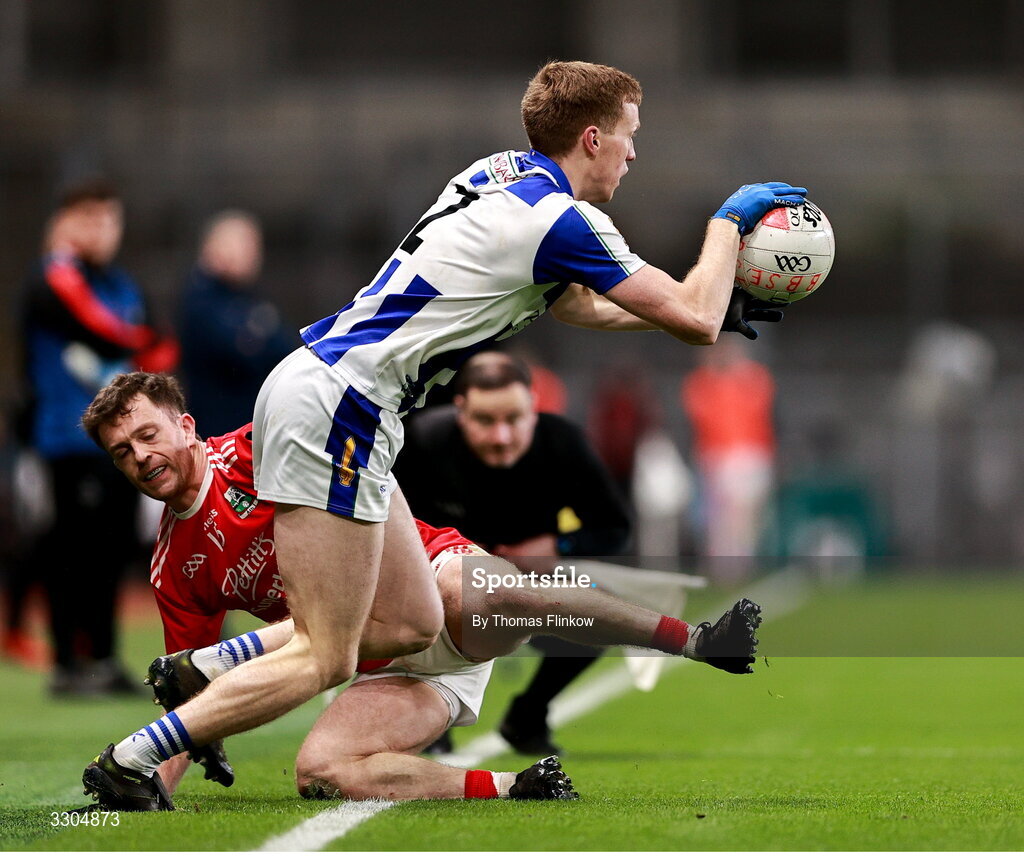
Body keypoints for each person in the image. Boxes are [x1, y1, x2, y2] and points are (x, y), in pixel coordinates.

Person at [81, 59, 802, 808]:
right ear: (592, 138)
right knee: (326, 654)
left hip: (329, 389)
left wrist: (703, 301)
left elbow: (576, 305)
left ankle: (213, 667)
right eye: (629, 136)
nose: (633, 153)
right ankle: (135, 755)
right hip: (345, 403)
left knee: (414, 618)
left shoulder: (498, 176)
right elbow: (694, 319)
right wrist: (729, 225)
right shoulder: (564, 221)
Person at [76, 372, 760, 808]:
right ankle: (513, 786)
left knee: (500, 590)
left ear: (185, 427)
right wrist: (151, 778)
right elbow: (190, 701)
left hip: (434, 583)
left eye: (147, 435)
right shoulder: (176, 566)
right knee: (321, 771)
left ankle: (696, 639)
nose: (141, 457)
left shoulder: (264, 448)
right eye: (122, 452)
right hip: (382, 663)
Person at [396, 352, 631, 755]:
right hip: (437, 585)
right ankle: (430, 723)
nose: (501, 436)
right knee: (406, 613)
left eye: (513, 420)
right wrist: (454, 557)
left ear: (533, 410)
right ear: (461, 410)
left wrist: (558, 546)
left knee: (600, 612)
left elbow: (615, 527)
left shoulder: (564, 444)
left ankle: (527, 716)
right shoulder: (423, 442)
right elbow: (388, 529)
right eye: (485, 421)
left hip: (530, 584)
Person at [21, 178, 178, 695]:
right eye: (88, 218)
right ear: (65, 223)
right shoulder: (54, 279)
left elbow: (161, 354)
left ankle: (105, 659)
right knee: (69, 548)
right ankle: (68, 663)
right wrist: (137, 341)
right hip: (66, 439)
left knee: (110, 549)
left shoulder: (123, 285)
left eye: (109, 219)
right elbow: (116, 334)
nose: (101, 229)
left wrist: (141, 343)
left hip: (122, 441)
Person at [178, 211, 296, 437]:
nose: (251, 254)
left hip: (249, 429)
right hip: (217, 432)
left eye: (254, 246)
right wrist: (259, 337)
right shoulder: (199, 298)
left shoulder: (248, 297)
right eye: (242, 244)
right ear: (213, 246)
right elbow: (242, 352)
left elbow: (284, 350)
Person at [680, 338, 776, 582]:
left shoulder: (754, 377)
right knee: (721, 517)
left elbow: (762, 408)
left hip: (751, 453)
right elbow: (700, 417)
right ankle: (725, 567)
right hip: (717, 455)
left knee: (748, 515)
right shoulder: (701, 382)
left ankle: (744, 561)